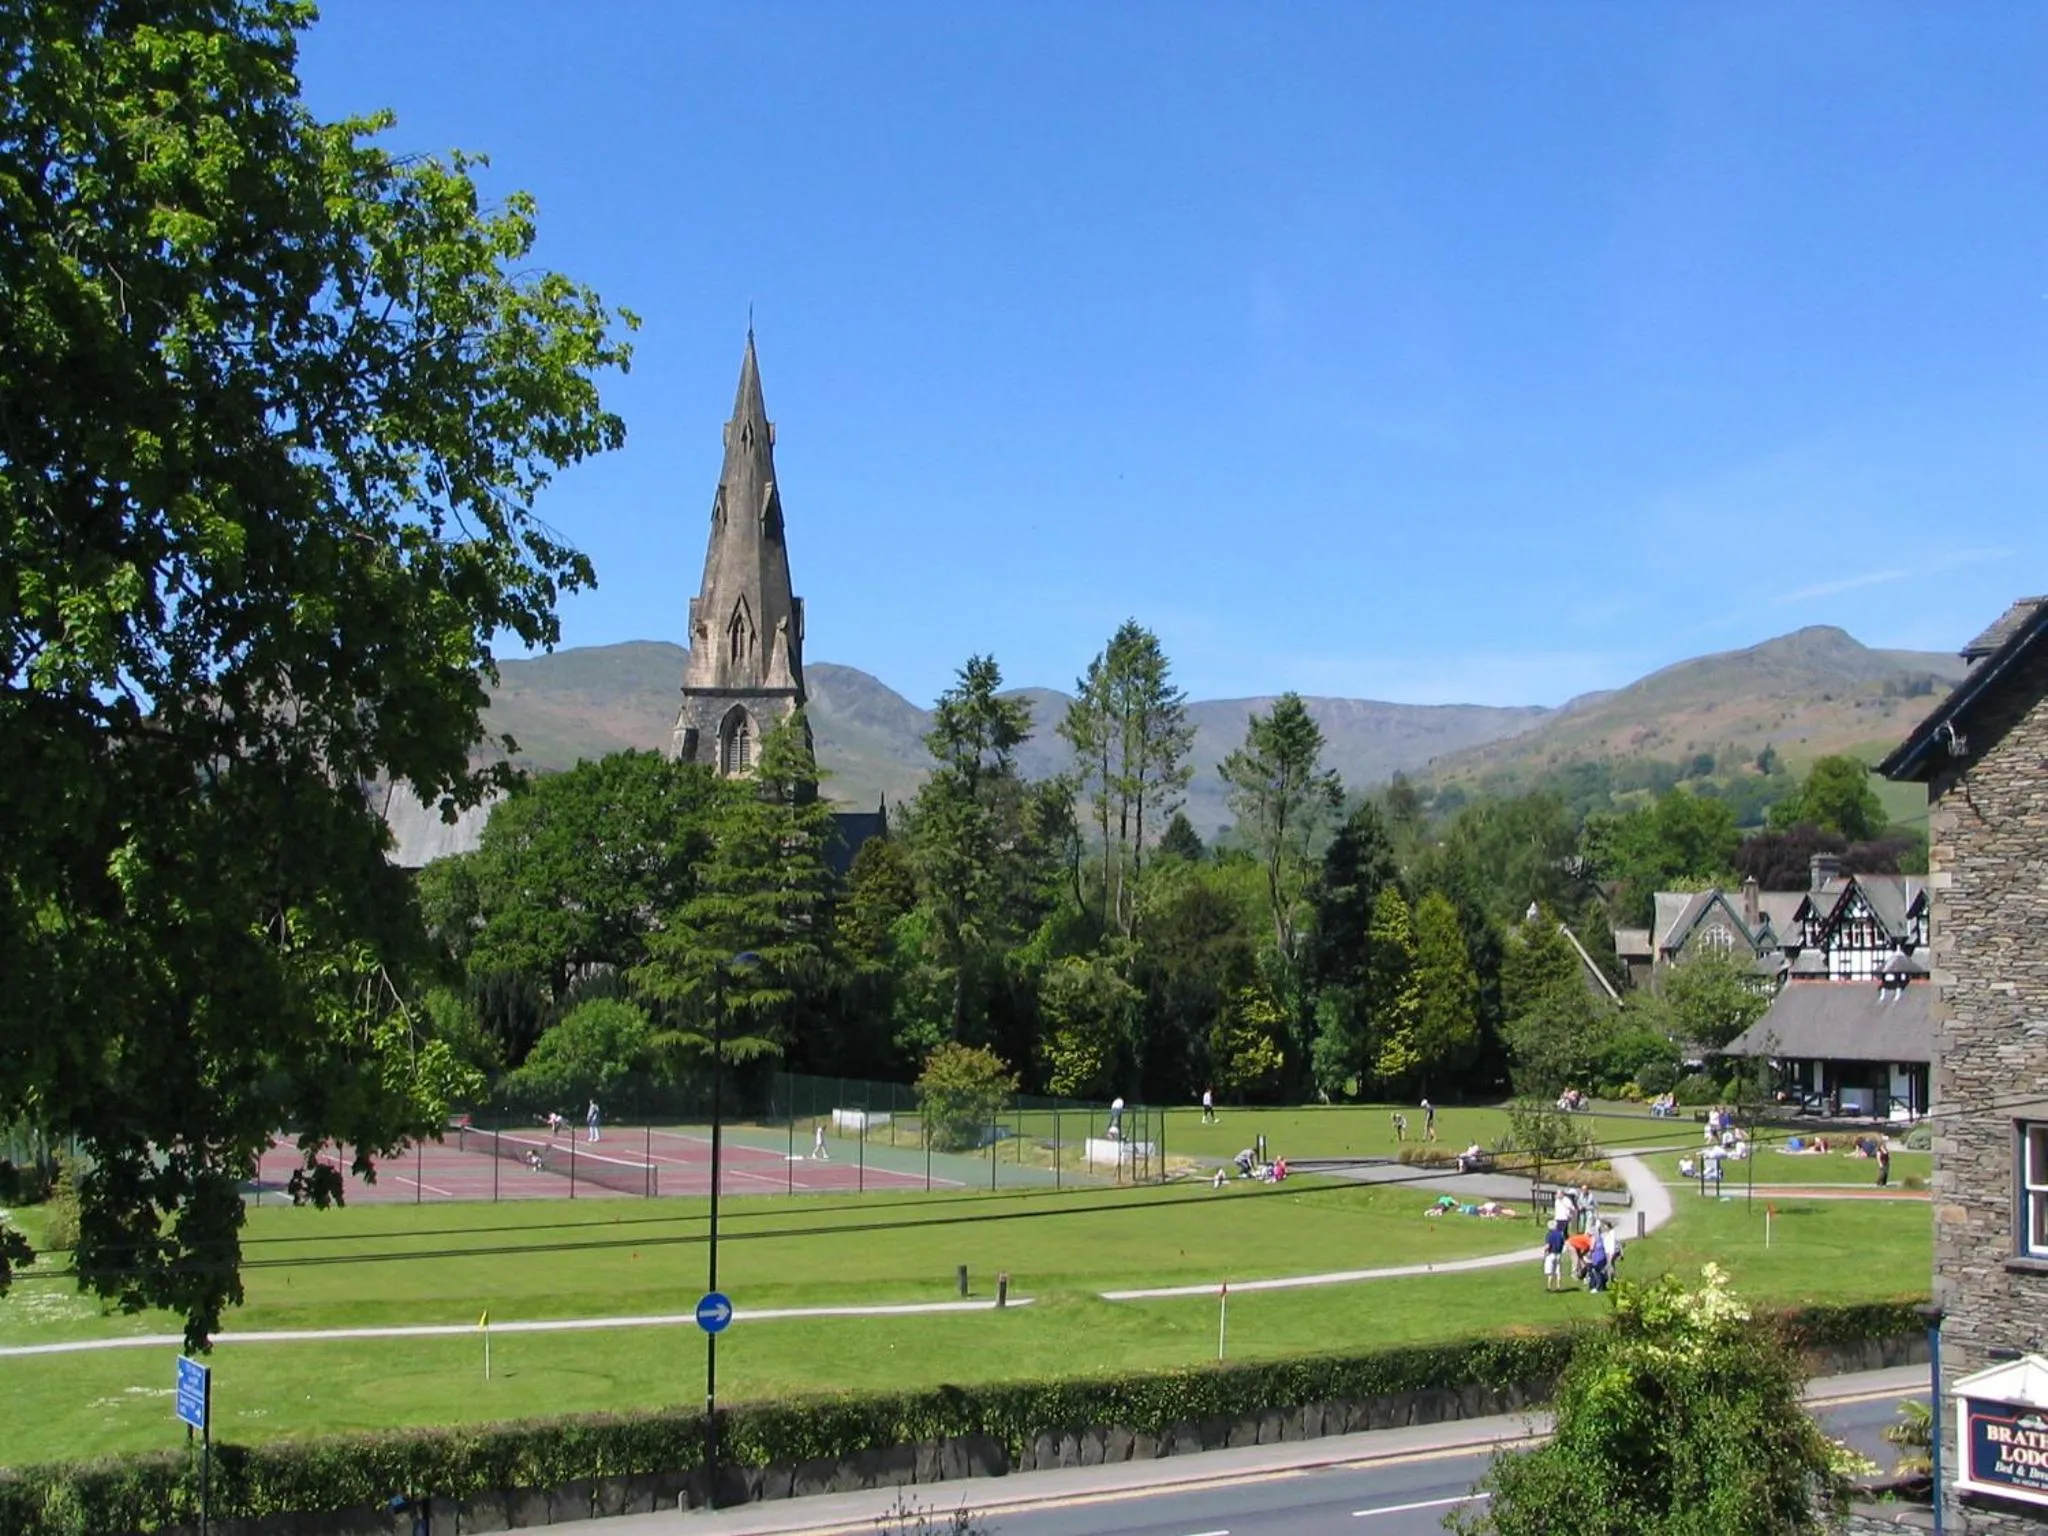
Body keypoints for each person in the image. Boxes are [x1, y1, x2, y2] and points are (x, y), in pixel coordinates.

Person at [1543, 1220, 1567, 1292]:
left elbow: (1548, 1245)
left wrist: (1545, 1251)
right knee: (1558, 1270)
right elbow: (1563, 1244)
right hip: (1558, 1254)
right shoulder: (1561, 1234)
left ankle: (1549, 1286)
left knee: (1550, 1271)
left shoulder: (1549, 1234)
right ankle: (1558, 1287)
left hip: (1551, 1254)